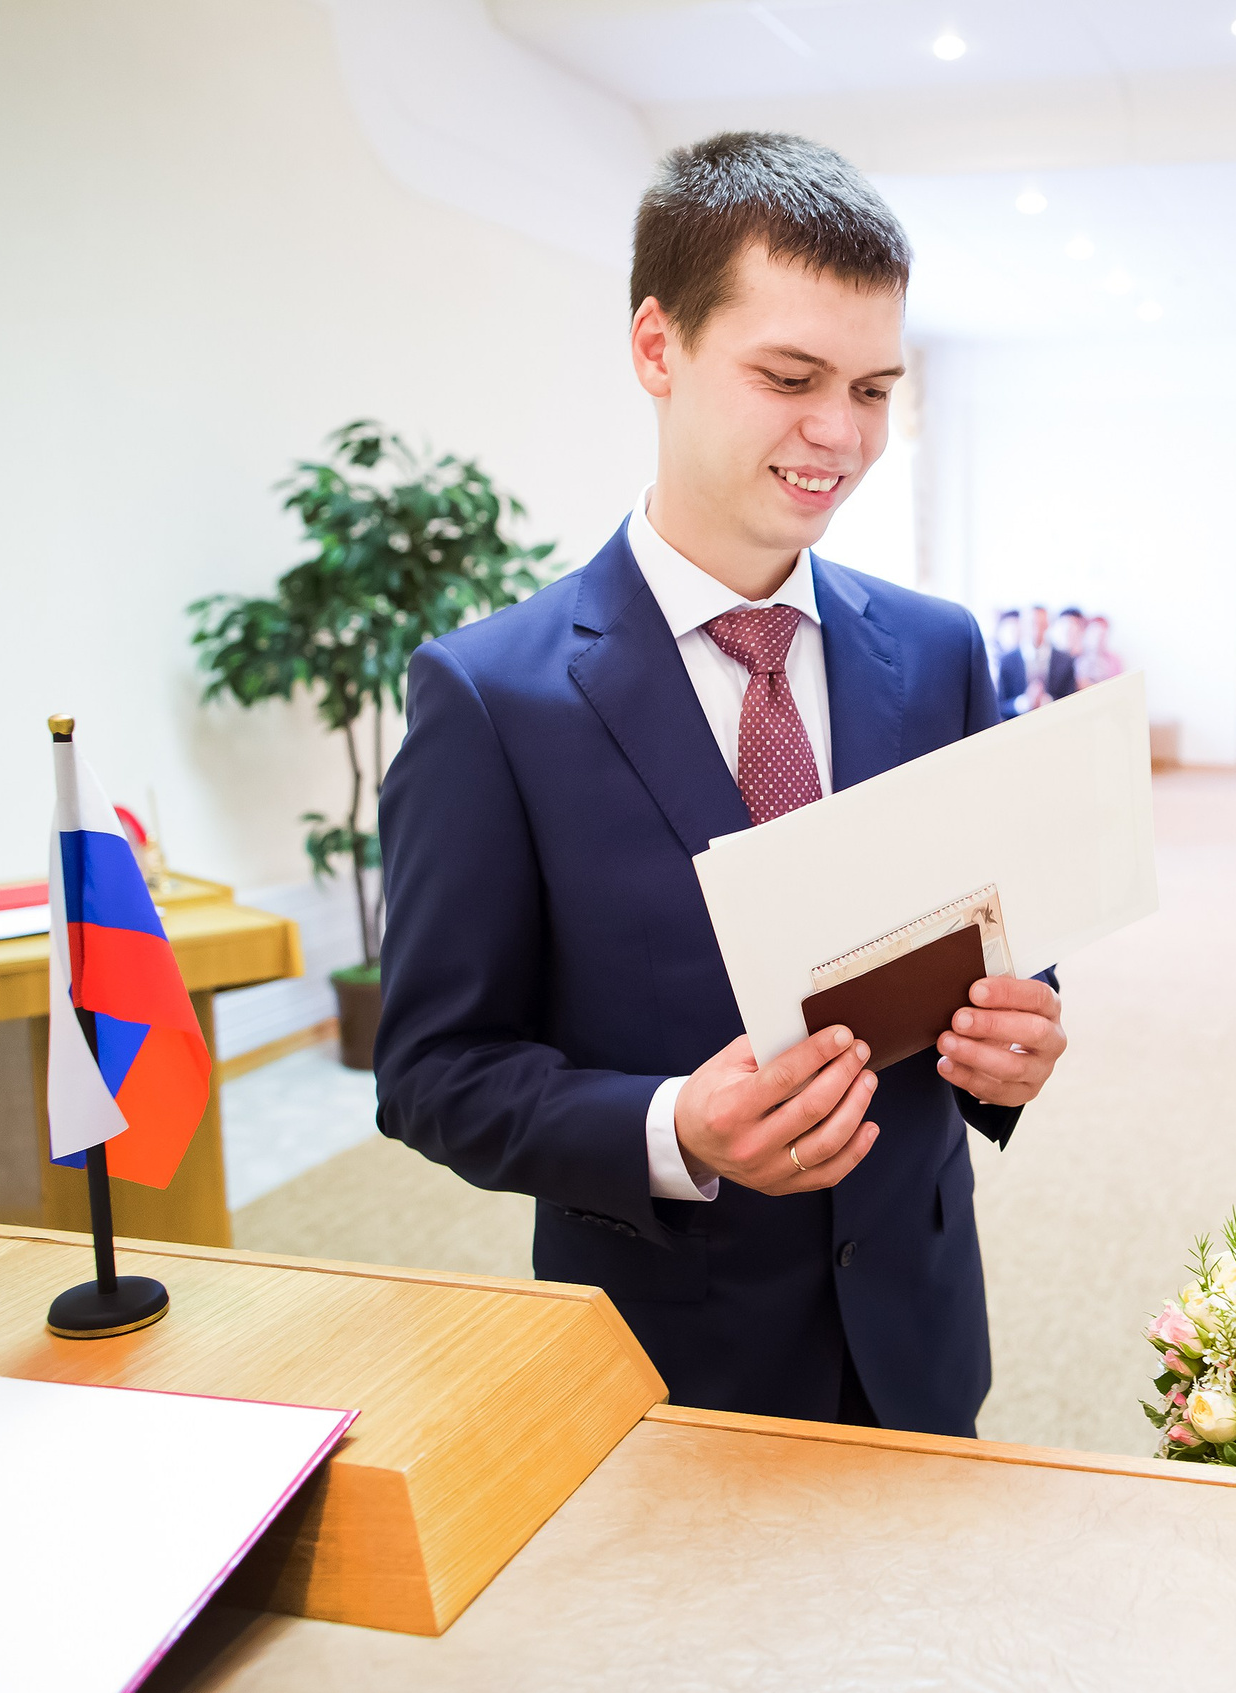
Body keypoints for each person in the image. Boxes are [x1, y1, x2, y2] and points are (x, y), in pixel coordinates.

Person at [374, 132, 1069, 1438]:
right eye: (789, 377)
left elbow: (997, 946)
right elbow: (432, 1073)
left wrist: (1012, 1044)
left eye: (873, 389)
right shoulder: (490, 697)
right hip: (665, 1362)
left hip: (918, 1332)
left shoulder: (938, 653)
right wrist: (673, 1127)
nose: (839, 435)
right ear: (658, 347)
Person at [994, 602, 1075, 716]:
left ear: (1048, 625)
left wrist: (1047, 701)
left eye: (1041, 624)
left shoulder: (1064, 660)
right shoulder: (1007, 661)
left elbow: (1071, 701)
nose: (1036, 629)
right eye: (1032, 624)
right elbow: (999, 706)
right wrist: (1022, 703)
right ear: (1022, 625)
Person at [1073, 614, 1123, 688]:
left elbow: (1119, 683)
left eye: (1103, 633)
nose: (1100, 637)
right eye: (1096, 632)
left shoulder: (1114, 659)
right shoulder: (1078, 658)